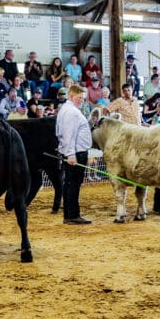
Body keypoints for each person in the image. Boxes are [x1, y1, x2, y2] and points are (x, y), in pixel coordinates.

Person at [55, 85, 92, 224]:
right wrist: (71, 154)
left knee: (71, 184)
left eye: (83, 98)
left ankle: (72, 214)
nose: (82, 100)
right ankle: (72, 215)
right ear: (71, 96)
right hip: (76, 153)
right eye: (79, 98)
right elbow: (68, 135)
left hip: (75, 151)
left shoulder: (69, 109)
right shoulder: (71, 112)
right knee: (73, 184)